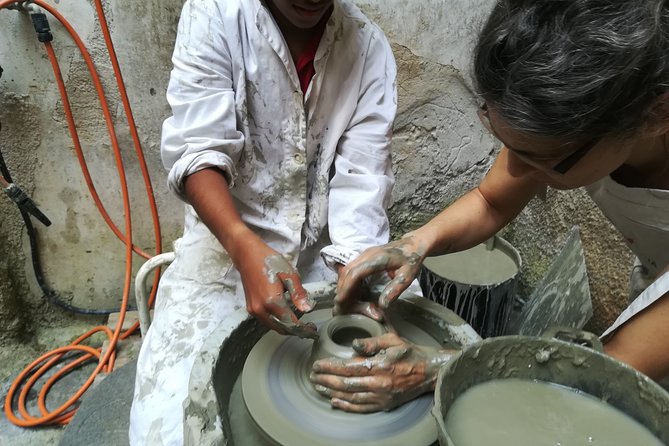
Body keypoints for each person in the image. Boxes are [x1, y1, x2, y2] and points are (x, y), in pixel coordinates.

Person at [310, 0, 669, 413]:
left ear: (657, 114)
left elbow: (600, 371)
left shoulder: (619, 110)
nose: (517, 169)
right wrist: (413, 244)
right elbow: (490, 200)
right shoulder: (589, 123)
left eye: (541, 159)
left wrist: (437, 369)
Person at [129, 0, 397, 443]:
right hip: (223, 248)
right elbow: (198, 151)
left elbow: (362, 181)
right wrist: (241, 243)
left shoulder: (369, 48)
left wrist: (353, 267)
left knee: (386, 388)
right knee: (173, 429)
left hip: (322, 255)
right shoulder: (215, 14)